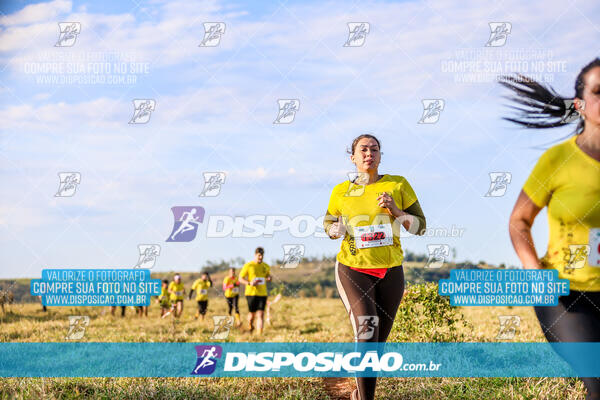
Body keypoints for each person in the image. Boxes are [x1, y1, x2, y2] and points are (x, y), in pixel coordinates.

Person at [503, 58, 600, 400]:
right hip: (565, 296)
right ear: (580, 105)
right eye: (599, 92)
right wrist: (533, 270)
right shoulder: (558, 160)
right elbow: (519, 220)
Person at [323, 134, 426, 400]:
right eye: (364, 149)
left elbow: (420, 226)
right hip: (353, 268)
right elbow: (328, 224)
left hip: (391, 270)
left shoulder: (397, 184)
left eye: (375, 149)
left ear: (380, 156)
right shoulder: (341, 191)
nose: (370, 153)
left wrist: (395, 210)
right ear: (353, 157)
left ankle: (359, 392)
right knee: (367, 334)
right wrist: (336, 229)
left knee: (378, 343)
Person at [239, 247, 272, 334]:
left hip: (263, 293)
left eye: (262, 255)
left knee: (261, 314)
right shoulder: (248, 265)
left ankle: (259, 334)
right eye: (259, 255)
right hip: (251, 293)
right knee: (252, 314)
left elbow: (268, 276)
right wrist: (249, 283)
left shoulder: (266, 266)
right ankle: (250, 325)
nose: (261, 257)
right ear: (255, 255)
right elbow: (240, 279)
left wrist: (269, 278)